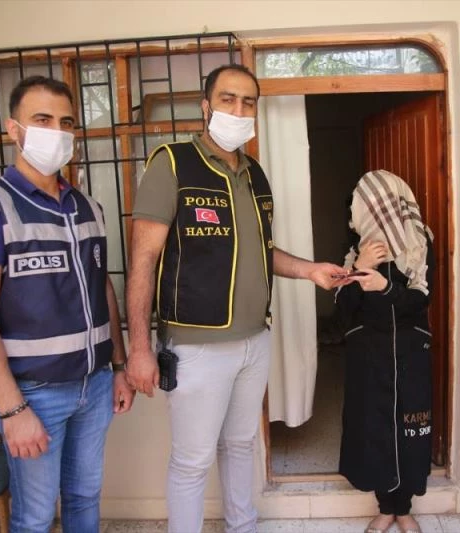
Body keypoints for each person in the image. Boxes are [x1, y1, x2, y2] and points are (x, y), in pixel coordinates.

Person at [125, 64, 347, 533]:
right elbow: (143, 259)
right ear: (206, 106)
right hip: (196, 347)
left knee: (242, 444)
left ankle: (242, 526)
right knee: (192, 460)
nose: (239, 110)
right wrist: (139, 347)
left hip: (254, 340)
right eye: (228, 99)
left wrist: (309, 270)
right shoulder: (172, 164)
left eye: (248, 102)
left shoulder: (254, 174)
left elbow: (263, 250)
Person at [0, 76, 135, 533]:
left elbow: (103, 290)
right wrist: (12, 411)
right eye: (42, 119)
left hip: (94, 385)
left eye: (66, 122)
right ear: (14, 129)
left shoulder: (88, 208)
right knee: (34, 517)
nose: (57, 131)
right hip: (33, 393)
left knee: (84, 497)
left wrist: (118, 366)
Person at [336, 170, 435, 533]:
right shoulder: (355, 251)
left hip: (410, 354)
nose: (359, 214)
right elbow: (343, 308)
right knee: (375, 428)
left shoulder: (419, 246)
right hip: (369, 357)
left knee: (409, 431)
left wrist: (385, 287)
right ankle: (384, 507)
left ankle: (403, 509)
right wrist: (359, 269)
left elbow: (421, 301)